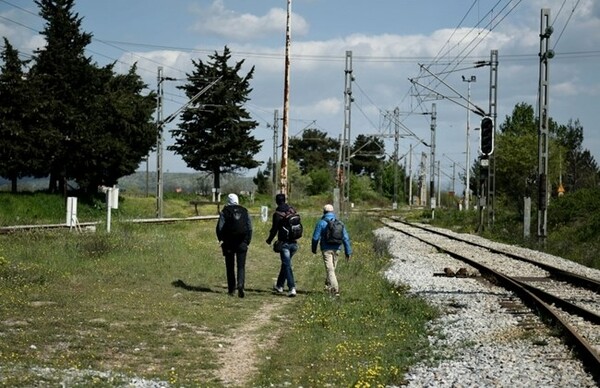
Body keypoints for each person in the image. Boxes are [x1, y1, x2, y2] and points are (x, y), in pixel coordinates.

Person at [216, 193, 252, 298]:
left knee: (230, 266)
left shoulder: (225, 211)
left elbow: (219, 227)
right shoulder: (244, 211)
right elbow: (249, 227)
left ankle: (231, 289)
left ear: (228, 200)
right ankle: (241, 285)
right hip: (242, 243)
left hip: (228, 243)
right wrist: (247, 241)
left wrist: (221, 239)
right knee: (241, 266)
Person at [311, 204, 352, 296]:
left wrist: (314, 249)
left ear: (324, 212)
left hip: (326, 249)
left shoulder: (321, 223)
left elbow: (315, 238)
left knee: (330, 270)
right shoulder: (340, 223)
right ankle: (327, 287)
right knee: (331, 269)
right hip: (337, 249)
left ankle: (335, 290)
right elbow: (346, 238)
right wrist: (348, 252)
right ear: (332, 212)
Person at [266, 193, 299, 297]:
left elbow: (274, 230)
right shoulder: (292, 210)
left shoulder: (277, 214)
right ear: (285, 200)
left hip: (284, 243)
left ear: (276, 201)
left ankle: (292, 287)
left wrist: (269, 240)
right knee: (286, 264)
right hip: (294, 243)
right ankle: (279, 286)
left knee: (287, 265)